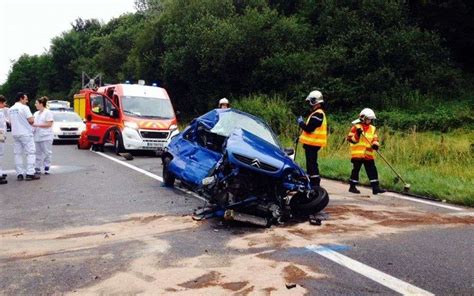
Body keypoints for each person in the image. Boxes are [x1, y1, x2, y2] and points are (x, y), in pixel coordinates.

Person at [347, 108, 385, 194]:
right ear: (363, 118)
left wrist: (375, 145)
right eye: (368, 119)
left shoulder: (372, 128)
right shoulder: (356, 127)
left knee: (372, 170)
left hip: (368, 154)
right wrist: (357, 133)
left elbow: (375, 139)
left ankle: (375, 188)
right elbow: (351, 139)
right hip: (358, 154)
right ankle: (352, 187)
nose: (370, 121)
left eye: (371, 119)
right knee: (356, 170)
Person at [297, 90, 327, 187]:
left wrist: (301, 123)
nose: (309, 104)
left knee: (312, 164)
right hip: (311, 144)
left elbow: (309, 128)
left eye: (310, 102)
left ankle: (315, 184)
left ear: (314, 101)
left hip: (313, 143)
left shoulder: (318, 114)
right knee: (311, 163)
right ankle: (312, 182)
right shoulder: (316, 113)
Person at [8, 92, 40, 181]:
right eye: (26, 99)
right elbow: (31, 121)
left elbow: (10, 122)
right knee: (30, 153)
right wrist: (33, 118)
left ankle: (19, 174)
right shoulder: (24, 108)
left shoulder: (10, 109)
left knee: (17, 154)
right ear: (21, 99)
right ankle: (30, 173)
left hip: (15, 134)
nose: (27, 101)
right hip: (25, 134)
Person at [33, 96, 54, 175]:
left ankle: (47, 166)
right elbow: (33, 124)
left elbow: (49, 124)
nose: (35, 105)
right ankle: (37, 167)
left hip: (46, 136)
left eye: (36, 103)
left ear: (41, 104)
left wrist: (37, 125)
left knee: (47, 152)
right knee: (37, 153)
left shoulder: (48, 112)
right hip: (37, 136)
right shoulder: (36, 113)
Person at [0, 95, 8, 184]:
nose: (4, 105)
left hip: (1, 134)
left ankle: (0, 172)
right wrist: (3, 136)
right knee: (0, 154)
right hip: (0, 134)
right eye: (4, 103)